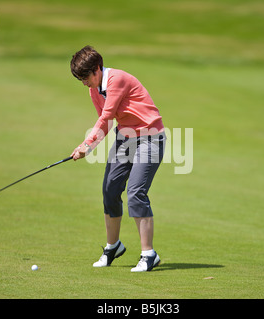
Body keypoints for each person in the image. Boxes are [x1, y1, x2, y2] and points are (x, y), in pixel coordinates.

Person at [70, 45, 166, 272]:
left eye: (86, 77)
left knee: (135, 192)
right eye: (80, 79)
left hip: (150, 137)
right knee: (110, 189)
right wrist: (88, 146)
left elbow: (106, 117)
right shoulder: (94, 89)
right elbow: (107, 124)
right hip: (126, 138)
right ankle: (113, 247)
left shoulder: (117, 80)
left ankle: (148, 254)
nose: (84, 82)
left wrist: (86, 145)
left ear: (97, 69)